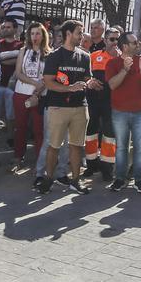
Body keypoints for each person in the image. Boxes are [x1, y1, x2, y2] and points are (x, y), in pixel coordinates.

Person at [39, 19, 100, 195]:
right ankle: (48, 179)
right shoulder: (54, 56)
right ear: (68, 34)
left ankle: (75, 181)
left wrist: (91, 83)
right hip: (57, 107)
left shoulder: (85, 56)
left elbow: (87, 78)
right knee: (54, 146)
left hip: (80, 107)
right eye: (79, 33)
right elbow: (48, 82)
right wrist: (69, 88)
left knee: (76, 146)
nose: (82, 36)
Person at [107, 31, 141, 193]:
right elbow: (112, 85)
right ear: (125, 46)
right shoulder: (112, 63)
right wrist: (125, 70)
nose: (138, 45)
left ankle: (139, 179)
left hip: (140, 112)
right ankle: (120, 179)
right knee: (121, 147)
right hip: (119, 112)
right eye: (134, 43)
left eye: (138, 42)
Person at [12, 22, 49, 172]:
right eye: (32, 33)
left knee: (39, 129)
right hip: (22, 93)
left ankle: (40, 162)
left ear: (43, 35)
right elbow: (19, 73)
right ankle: (18, 157)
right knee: (20, 127)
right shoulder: (23, 51)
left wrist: (39, 90)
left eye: (38, 33)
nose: (35, 37)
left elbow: (49, 76)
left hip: (41, 97)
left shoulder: (49, 53)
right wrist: (35, 83)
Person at [85, 27, 120, 182]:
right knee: (91, 133)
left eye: (118, 39)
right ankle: (91, 164)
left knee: (109, 135)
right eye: (112, 39)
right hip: (93, 101)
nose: (115, 42)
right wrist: (90, 81)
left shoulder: (122, 58)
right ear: (105, 40)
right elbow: (84, 75)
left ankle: (107, 167)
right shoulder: (93, 55)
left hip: (111, 102)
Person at [0, 18, 23, 152]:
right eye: (4, 27)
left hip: (13, 86)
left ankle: (11, 138)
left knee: (11, 116)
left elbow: (19, 62)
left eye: (8, 27)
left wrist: (2, 59)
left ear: (15, 29)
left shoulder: (20, 45)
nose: (5, 29)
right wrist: (11, 60)